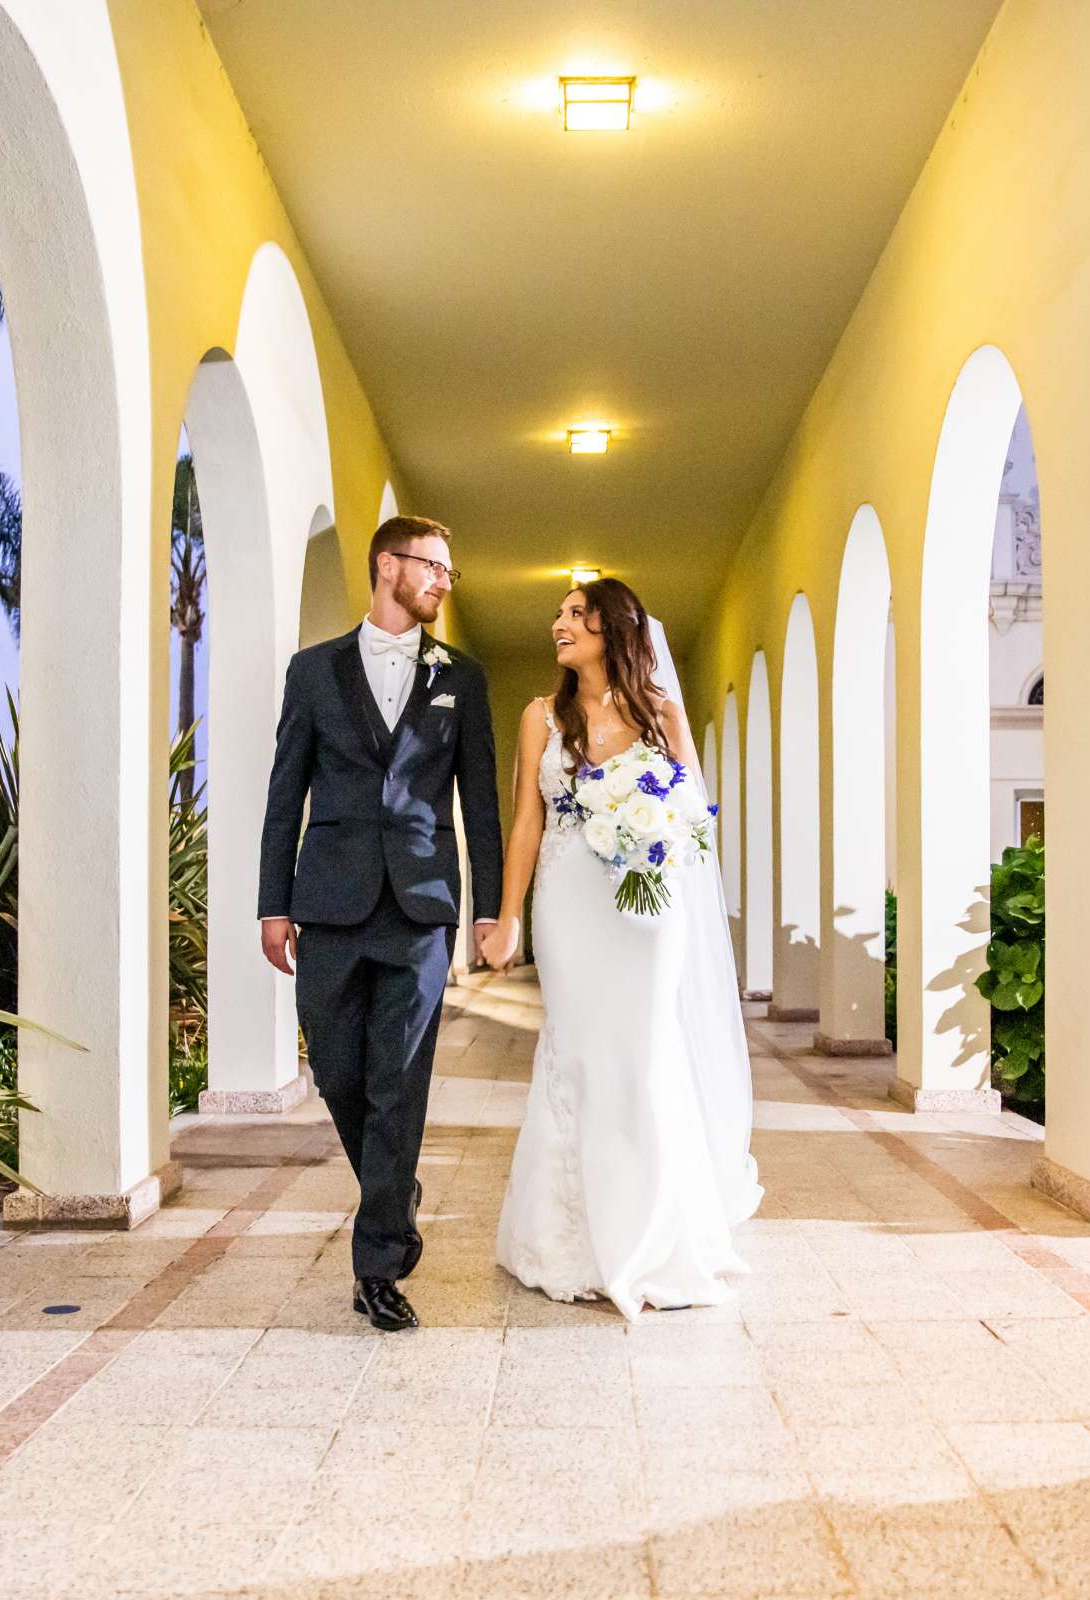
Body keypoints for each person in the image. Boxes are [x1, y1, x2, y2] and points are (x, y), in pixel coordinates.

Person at [480, 577, 763, 1318]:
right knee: (577, 1052)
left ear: (613, 629)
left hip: (649, 911)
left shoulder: (661, 714)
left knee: (643, 1051)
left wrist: (653, 835)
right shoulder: (540, 717)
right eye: (560, 614)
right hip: (570, 906)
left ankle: (654, 1235)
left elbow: (694, 820)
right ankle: (571, 1239)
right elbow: (526, 827)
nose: (559, 625)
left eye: (577, 615)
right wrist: (508, 917)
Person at [258, 514, 502, 1333]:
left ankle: (378, 1263)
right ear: (387, 566)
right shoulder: (313, 672)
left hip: (422, 908)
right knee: (336, 1070)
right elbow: (284, 790)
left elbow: (482, 803)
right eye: (433, 567)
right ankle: (393, 1184)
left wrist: (492, 909)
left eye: (448, 571)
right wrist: (272, 901)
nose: (442, 581)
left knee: (399, 1077)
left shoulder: (460, 678)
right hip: (327, 899)